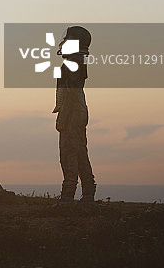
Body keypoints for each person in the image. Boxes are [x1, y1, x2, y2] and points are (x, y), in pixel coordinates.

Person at [52, 25, 96, 205]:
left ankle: (67, 196)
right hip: (78, 110)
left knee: (68, 152)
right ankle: (88, 193)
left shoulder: (73, 63)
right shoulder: (77, 61)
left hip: (73, 111)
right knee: (79, 152)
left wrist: (63, 116)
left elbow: (71, 93)